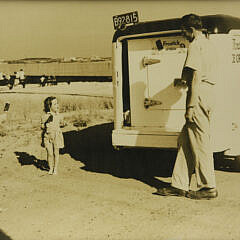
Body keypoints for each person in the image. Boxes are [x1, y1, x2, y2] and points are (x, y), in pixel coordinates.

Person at [155, 14, 218, 199]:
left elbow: (196, 79)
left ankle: (208, 187)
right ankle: (179, 184)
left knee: (199, 142)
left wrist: (189, 107)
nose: (183, 35)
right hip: (209, 93)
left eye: (183, 31)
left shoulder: (196, 46)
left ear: (190, 29)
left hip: (198, 96)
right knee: (186, 141)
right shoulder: (209, 44)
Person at [41, 96, 65, 175]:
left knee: (56, 152)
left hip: (56, 135)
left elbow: (62, 123)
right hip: (47, 136)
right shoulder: (45, 116)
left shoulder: (59, 115)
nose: (57, 105)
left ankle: (55, 168)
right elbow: (42, 126)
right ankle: (50, 168)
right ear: (49, 106)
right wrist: (45, 122)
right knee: (50, 153)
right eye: (55, 104)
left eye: (57, 103)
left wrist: (63, 124)